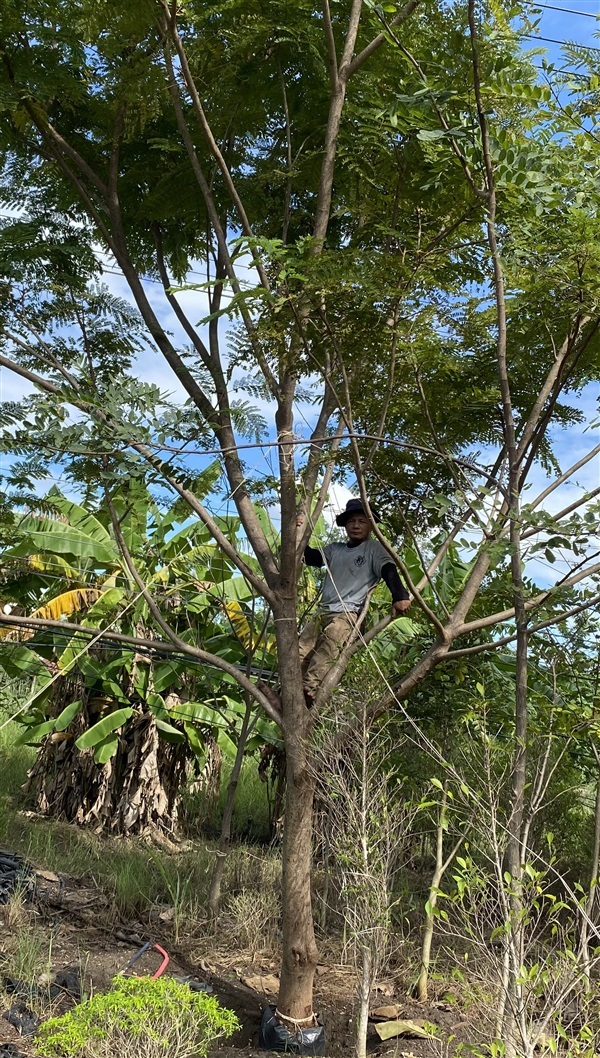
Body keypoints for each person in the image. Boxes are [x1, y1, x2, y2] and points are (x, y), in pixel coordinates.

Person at [297, 498, 411, 708]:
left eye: (361, 521)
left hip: (348, 613)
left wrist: (399, 596)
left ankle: (309, 691)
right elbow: (311, 557)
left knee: (328, 649)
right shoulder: (335, 549)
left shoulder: (374, 550)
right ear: (345, 525)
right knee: (299, 651)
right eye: (351, 521)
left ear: (370, 525)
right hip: (323, 611)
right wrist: (297, 534)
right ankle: (289, 693)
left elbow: (389, 571)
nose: (356, 525)